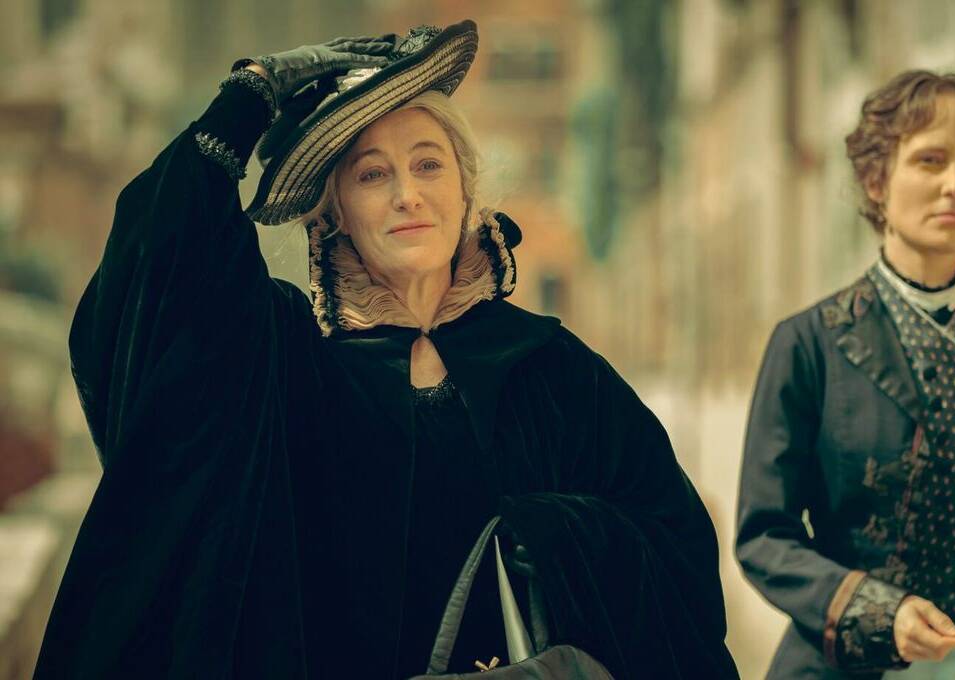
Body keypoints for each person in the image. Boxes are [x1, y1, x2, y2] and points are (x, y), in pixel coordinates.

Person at [33, 20, 739, 679]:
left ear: (465, 190)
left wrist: (561, 536)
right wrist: (248, 97)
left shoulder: (557, 372)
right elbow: (155, 279)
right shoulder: (288, 373)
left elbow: (675, 557)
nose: (407, 195)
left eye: (428, 165)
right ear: (338, 211)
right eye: (372, 174)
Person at [736, 70, 955, 679]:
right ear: (876, 180)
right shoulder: (810, 343)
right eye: (930, 160)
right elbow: (764, 537)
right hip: (853, 661)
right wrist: (876, 611)